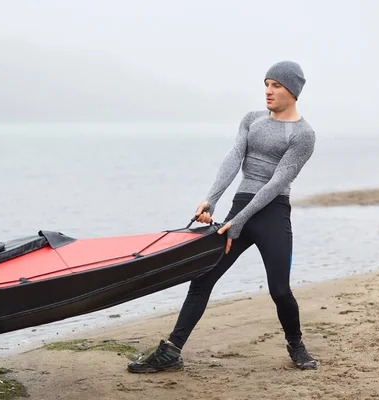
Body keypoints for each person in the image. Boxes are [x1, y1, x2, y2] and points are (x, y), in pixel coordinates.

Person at [127, 60, 317, 372]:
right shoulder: (252, 119)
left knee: (280, 290)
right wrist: (211, 199)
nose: (268, 91)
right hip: (238, 208)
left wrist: (240, 220)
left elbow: (277, 182)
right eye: (266, 84)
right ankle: (171, 352)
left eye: (276, 86)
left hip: (272, 213)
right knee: (203, 278)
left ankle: (296, 344)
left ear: (293, 92)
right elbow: (233, 158)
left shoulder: (303, 134)